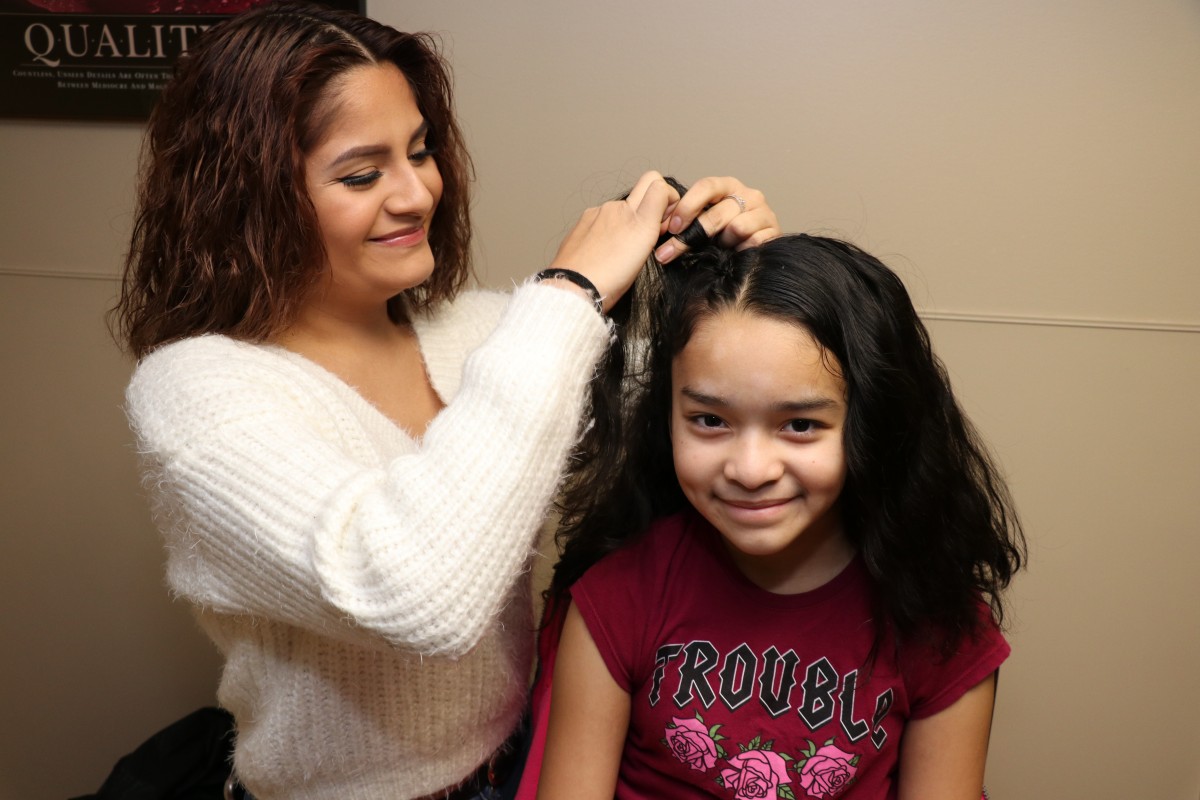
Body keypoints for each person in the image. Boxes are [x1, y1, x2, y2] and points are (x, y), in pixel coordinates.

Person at [111, 2, 780, 798]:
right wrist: (569, 295)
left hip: (524, 763)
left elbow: (693, 419)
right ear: (249, 197)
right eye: (362, 174)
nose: (416, 193)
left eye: (420, 151)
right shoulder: (196, 391)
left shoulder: (479, 332)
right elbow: (417, 594)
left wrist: (737, 275)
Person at [534, 234, 1026, 799]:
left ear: (873, 425)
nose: (750, 469)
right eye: (710, 420)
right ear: (665, 415)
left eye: (799, 425)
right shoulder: (619, 595)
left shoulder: (938, 621)